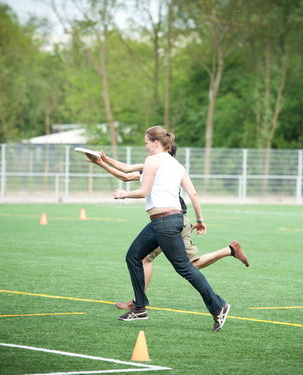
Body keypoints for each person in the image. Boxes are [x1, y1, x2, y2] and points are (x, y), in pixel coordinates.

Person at [85, 146, 249, 311]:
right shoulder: (164, 166)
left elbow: (126, 175)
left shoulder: (159, 167)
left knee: (159, 261)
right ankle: (229, 251)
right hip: (176, 220)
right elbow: (126, 170)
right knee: (185, 265)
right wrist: (103, 160)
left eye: (148, 144)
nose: (146, 148)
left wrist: (102, 164)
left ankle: (139, 302)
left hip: (171, 222)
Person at [107, 126, 230, 331]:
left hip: (164, 222)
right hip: (167, 221)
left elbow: (143, 191)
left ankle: (218, 306)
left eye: (146, 142)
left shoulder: (152, 160)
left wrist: (123, 195)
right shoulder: (177, 165)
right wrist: (199, 220)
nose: (145, 146)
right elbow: (194, 195)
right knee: (134, 256)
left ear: (156, 143)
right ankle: (139, 307)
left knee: (185, 268)